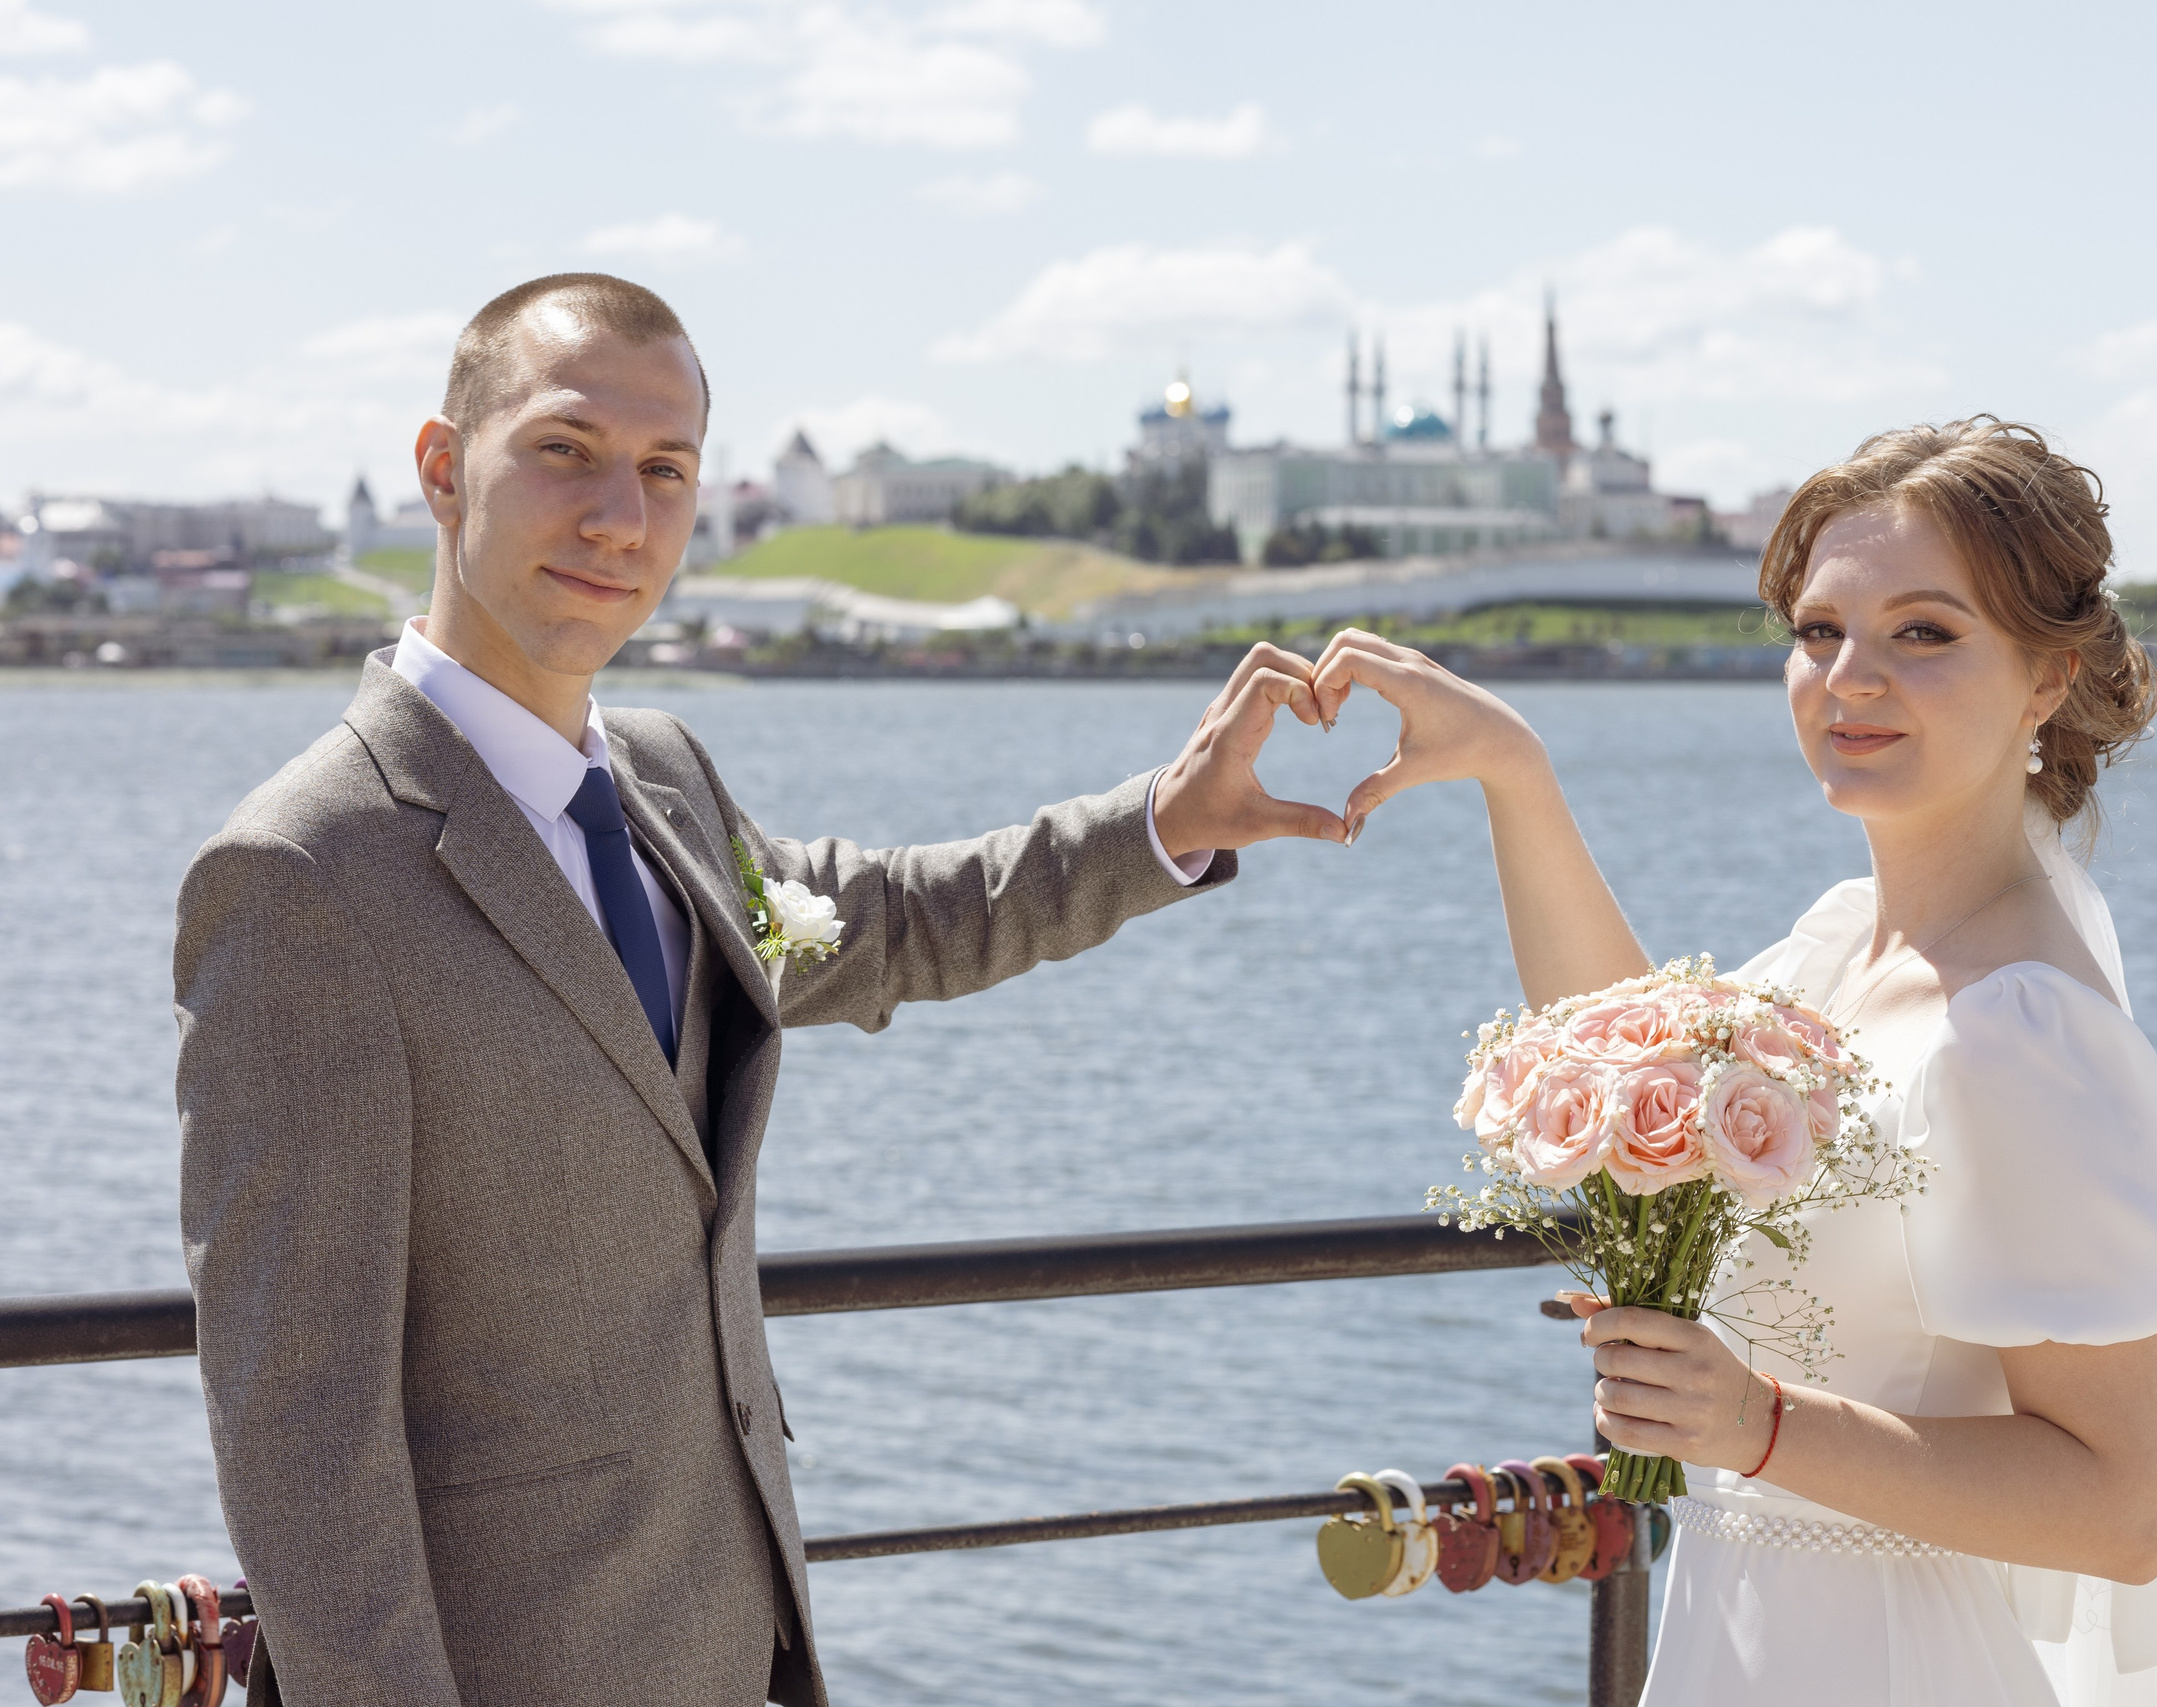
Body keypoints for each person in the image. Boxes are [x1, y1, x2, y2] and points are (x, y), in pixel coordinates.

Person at [173, 273, 1347, 1707]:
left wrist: (1165, 820)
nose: (621, 517)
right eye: (565, 451)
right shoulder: (302, 874)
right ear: (441, 467)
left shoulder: (662, 775)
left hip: (741, 1644)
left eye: (665, 471)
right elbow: (299, 1433)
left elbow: (892, 925)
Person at [1310, 418, 2157, 1706]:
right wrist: (1511, 772)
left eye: (1922, 632)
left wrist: (1755, 1425)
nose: (1850, 677)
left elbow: (2127, 1511)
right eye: (1820, 631)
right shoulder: (1841, 953)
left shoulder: (2020, 1029)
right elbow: (1629, 1058)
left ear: (2048, 678)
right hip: (1740, 1632)